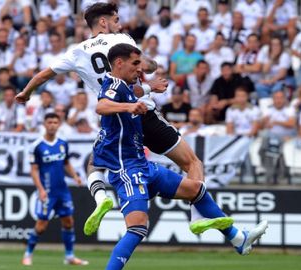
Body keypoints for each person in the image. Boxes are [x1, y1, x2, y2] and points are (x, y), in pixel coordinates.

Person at [13, 2, 211, 238]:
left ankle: (102, 198)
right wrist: (149, 74)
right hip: (141, 115)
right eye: (116, 19)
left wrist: (26, 92)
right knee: (192, 163)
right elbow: (146, 69)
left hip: (114, 121)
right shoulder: (122, 41)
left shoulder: (76, 51)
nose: (120, 23)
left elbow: (43, 74)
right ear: (104, 22)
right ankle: (198, 214)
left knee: (94, 164)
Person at [94, 44, 268, 269]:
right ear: (119, 63)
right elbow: (101, 105)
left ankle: (238, 238)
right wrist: (129, 107)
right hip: (126, 169)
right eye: (136, 64)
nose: (140, 69)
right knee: (138, 227)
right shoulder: (114, 84)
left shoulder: (127, 86)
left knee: (196, 188)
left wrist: (147, 90)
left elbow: (133, 92)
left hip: (143, 165)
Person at [22, 113, 87, 266]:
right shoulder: (37, 145)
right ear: (44, 124)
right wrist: (41, 190)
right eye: (49, 122)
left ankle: (69, 256)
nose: (52, 125)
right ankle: (28, 254)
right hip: (48, 191)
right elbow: (34, 170)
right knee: (41, 225)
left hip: (62, 191)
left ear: (59, 125)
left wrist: (75, 176)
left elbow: (66, 163)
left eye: (55, 122)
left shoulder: (63, 143)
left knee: (69, 222)